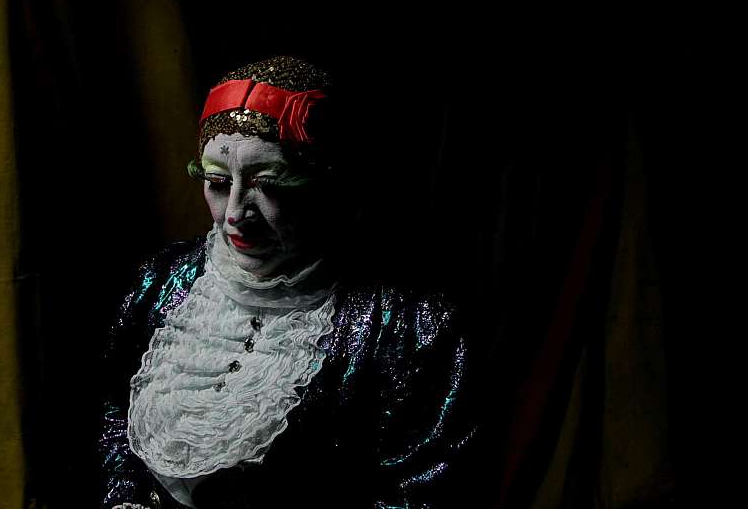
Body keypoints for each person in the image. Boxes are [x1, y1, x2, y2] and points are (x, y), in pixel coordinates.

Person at [99, 57, 474, 508]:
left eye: (270, 185)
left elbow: (421, 487)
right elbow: (113, 411)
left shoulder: (407, 324)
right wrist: (125, 497)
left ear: (323, 184)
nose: (235, 213)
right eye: (217, 182)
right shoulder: (163, 280)